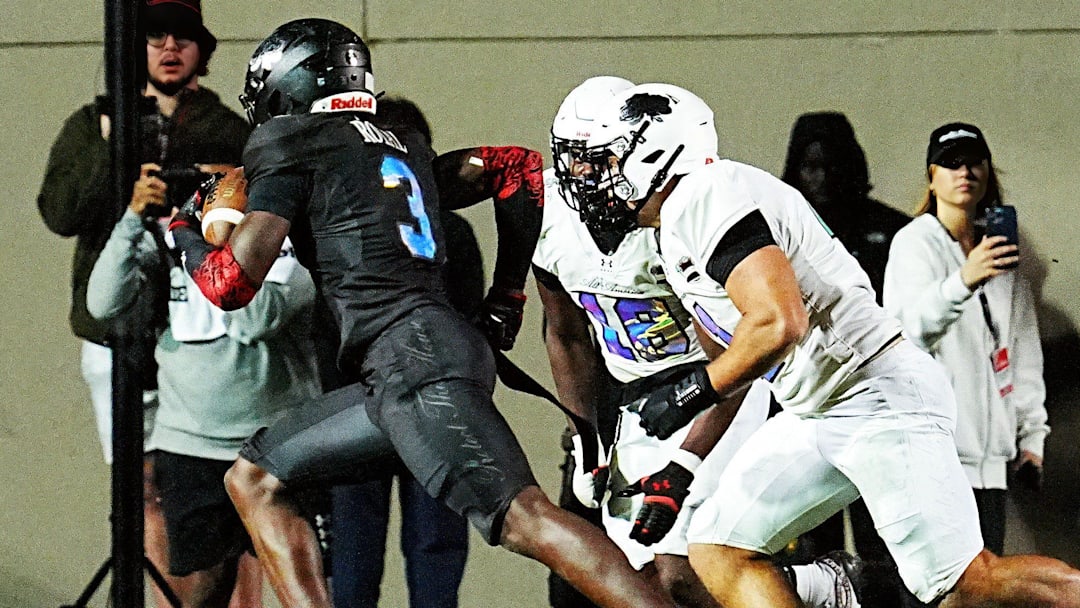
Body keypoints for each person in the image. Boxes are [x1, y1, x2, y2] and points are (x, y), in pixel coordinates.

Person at [166, 19, 679, 608]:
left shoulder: (290, 142)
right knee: (255, 477)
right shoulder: (399, 140)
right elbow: (515, 166)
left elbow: (229, 286)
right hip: (417, 360)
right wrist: (507, 294)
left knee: (524, 519)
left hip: (410, 363)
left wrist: (186, 228)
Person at [566, 81, 1080, 608]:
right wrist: (681, 468)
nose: (586, 176)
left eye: (600, 159)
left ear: (654, 153)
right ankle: (845, 585)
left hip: (874, 395)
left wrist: (684, 396)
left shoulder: (704, 194)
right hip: (819, 409)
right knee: (720, 547)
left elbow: (777, 322)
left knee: (967, 586)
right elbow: (733, 361)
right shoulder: (674, 226)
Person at [535, 76, 863, 608]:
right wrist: (584, 438)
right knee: (635, 581)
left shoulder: (677, 215)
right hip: (637, 402)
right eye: (573, 159)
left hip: (716, 388)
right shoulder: (548, 213)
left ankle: (817, 586)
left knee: (681, 570)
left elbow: (740, 350)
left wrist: (684, 463)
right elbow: (566, 332)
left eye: (598, 159)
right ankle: (808, 585)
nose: (583, 176)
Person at [35, 1, 252, 605]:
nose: (169, 48)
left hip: (198, 332)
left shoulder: (227, 129)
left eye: (183, 37)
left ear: (202, 50)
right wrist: (113, 149)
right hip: (114, 329)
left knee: (216, 487)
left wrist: (215, 182)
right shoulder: (96, 122)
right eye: (154, 36)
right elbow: (59, 213)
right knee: (141, 486)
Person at [86, 167, 320, 607]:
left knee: (303, 589)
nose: (218, 193)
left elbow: (254, 319)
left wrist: (223, 236)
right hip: (191, 444)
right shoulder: (170, 241)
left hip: (277, 445)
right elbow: (102, 302)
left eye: (228, 182)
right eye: (209, 189)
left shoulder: (294, 242)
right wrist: (134, 221)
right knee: (200, 593)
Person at [330, 97, 474, 608]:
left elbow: (328, 330)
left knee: (359, 550)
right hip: (430, 406)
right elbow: (469, 328)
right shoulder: (450, 230)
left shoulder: (340, 230)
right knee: (403, 547)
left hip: (362, 403)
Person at [883, 122, 1049, 557]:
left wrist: (1033, 439)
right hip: (934, 457)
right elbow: (909, 333)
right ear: (932, 176)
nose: (965, 172)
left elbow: (1022, 352)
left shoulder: (1001, 251)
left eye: (974, 162)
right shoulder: (914, 243)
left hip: (991, 463)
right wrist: (963, 280)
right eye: (951, 163)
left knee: (984, 590)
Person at [782, 111, 922, 608]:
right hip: (804, 413)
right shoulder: (778, 236)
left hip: (877, 408)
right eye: (809, 167)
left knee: (884, 544)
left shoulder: (893, 231)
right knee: (808, 554)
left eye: (830, 166)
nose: (820, 178)